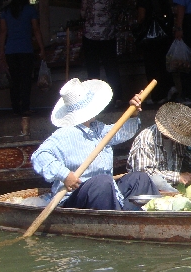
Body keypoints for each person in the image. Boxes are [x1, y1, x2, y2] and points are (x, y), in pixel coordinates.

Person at [31, 77, 157, 210]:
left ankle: (139, 218)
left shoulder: (98, 128)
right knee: (102, 182)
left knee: (140, 179)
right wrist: (65, 175)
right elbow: (39, 156)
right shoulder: (64, 134)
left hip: (107, 191)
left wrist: (133, 112)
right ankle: (116, 220)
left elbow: (122, 132)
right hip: (75, 197)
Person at [126, 102, 191, 191]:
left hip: (172, 189)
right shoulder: (146, 140)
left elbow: (183, 154)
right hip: (149, 190)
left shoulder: (177, 142)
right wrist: (178, 177)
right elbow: (144, 174)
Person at [0, 0, 46, 116]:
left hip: (11, 50)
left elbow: (3, 31)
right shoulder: (30, 10)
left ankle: (15, 107)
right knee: (26, 80)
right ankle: (25, 107)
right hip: (26, 49)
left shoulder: (6, 11)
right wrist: (42, 48)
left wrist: (1, 50)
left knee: (14, 80)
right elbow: (36, 30)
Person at [136, 0, 177, 104]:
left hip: (150, 37)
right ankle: (170, 86)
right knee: (163, 63)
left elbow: (141, 17)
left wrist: (137, 24)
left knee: (152, 66)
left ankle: (158, 95)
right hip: (164, 35)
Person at [81, 0, 122, 108]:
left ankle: (95, 101)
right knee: (111, 68)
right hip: (108, 35)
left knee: (93, 70)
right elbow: (116, 12)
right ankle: (117, 98)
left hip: (90, 36)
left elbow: (83, 14)